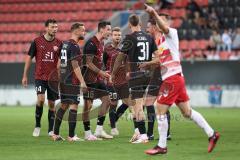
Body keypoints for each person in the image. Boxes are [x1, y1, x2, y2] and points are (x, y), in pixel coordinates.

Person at [142, 4, 220, 155]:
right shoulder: (159, 42)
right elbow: (164, 60)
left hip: (172, 79)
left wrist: (154, 12)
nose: (159, 24)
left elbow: (164, 28)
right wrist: (150, 64)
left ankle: (162, 146)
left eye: (162, 21)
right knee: (187, 112)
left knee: (159, 108)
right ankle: (212, 134)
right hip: (176, 78)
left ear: (165, 23)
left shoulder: (171, 33)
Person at [112, 14, 158, 144]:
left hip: (135, 75)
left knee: (137, 107)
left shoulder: (129, 38)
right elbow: (158, 58)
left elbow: (120, 58)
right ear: (140, 24)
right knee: (136, 103)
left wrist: (113, 73)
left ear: (129, 24)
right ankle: (138, 132)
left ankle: (143, 135)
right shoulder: (149, 37)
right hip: (147, 75)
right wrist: (147, 64)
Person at [22, 19, 62, 137]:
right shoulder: (37, 41)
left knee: (51, 104)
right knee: (40, 99)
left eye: (56, 27)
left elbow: (62, 60)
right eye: (52, 27)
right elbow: (29, 58)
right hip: (40, 76)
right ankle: (38, 125)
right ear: (46, 28)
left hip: (53, 79)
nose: (55, 29)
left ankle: (50, 129)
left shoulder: (60, 43)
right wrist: (24, 75)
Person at [52, 22, 87, 142]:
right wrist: (82, 81)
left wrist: (60, 77)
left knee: (63, 105)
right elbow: (75, 65)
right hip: (72, 80)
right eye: (82, 30)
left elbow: (58, 64)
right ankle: (71, 136)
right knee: (74, 106)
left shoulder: (64, 44)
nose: (84, 32)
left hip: (63, 80)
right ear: (76, 31)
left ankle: (55, 134)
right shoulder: (74, 46)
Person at [82, 21, 113, 140]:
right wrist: (101, 72)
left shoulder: (101, 43)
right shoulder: (91, 43)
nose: (110, 32)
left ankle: (99, 130)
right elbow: (88, 63)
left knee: (107, 101)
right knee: (88, 106)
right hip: (89, 79)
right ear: (102, 29)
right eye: (108, 30)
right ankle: (87, 133)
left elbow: (98, 62)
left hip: (98, 79)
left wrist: (104, 72)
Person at [103, 27, 132, 136]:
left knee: (127, 102)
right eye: (115, 35)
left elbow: (127, 62)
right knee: (114, 103)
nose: (117, 37)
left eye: (119, 35)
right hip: (111, 80)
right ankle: (113, 128)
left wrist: (128, 72)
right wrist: (105, 73)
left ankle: (113, 120)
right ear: (111, 36)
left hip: (123, 80)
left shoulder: (124, 49)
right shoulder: (107, 49)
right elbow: (103, 62)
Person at [145, 18, 171, 140]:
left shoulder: (159, 41)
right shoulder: (157, 40)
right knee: (163, 103)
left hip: (159, 74)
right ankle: (167, 133)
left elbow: (159, 61)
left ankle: (150, 133)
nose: (146, 29)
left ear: (154, 28)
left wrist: (147, 63)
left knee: (149, 102)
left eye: (148, 27)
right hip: (164, 74)